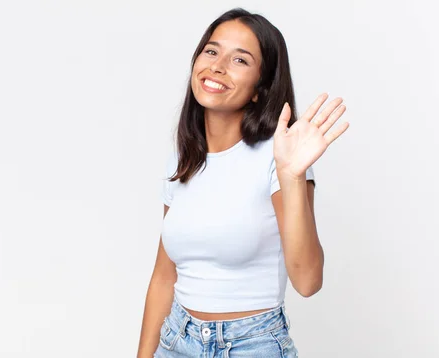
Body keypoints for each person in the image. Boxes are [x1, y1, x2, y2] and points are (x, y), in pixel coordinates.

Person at [137, 8, 349, 358]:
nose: (217, 66)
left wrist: (292, 177)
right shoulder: (184, 157)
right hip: (176, 341)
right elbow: (163, 277)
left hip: (253, 345)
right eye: (211, 51)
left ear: (258, 89)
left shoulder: (280, 158)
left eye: (240, 60)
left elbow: (308, 281)